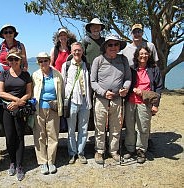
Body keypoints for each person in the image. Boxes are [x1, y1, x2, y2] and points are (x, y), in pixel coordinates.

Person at [90, 34, 131, 164]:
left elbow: (128, 78)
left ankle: (114, 151)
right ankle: (100, 151)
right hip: (101, 99)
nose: (113, 47)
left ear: (119, 46)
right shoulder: (98, 60)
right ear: (105, 47)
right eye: (110, 45)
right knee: (100, 126)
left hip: (118, 99)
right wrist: (103, 92)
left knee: (116, 127)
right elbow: (93, 81)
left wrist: (125, 88)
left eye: (116, 44)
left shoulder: (123, 60)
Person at [123, 46, 163, 163]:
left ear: (149, 55)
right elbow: (126, 83)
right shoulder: (131, 69)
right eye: (141, 53)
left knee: (143, 128)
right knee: (130, 127)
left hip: (145, 103)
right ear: (136, 56)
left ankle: (141, 150)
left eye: (146, 53)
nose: (143, 56)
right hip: (130, 102)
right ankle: (130, 148)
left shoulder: (154, 69)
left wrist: (155, 104)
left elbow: (159, 88)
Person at [0, 49, 32, 181]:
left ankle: (19, 165)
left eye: (16, 59)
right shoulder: (4, 74)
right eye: (11, 59)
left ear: (20, 60)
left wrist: (18, 103)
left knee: (19, 136)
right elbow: (1, 92)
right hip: (6, 109)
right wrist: (15, 100)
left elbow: (29, 93)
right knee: (10, 136)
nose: (13, 62)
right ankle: (12, 162)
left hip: (20, 109)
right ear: (8, 60)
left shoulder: (25, 75)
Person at [32, 52, 64, 175]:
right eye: (41, 61)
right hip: (39, 108)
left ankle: (51, 161)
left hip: (53, 108)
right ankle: (42, 162)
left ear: (49, 61)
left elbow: (61, 91)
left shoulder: (57, 74)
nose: (43, 63)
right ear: (38, 63)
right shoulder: (35, 75)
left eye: (45, 60)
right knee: (40, 135)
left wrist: (58, 103)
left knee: (53, 135)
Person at [61, 42, 92, 164]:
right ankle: (72, 153)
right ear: (71, 52)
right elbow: (63, 84)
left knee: (83, 129)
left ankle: (81, 152)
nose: (77, 52)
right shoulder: (66, 66)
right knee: (71, 129)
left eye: (79, 50)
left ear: (82, 51)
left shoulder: (87, 66)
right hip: (72, 101)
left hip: (85, 101)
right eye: (75, 50)